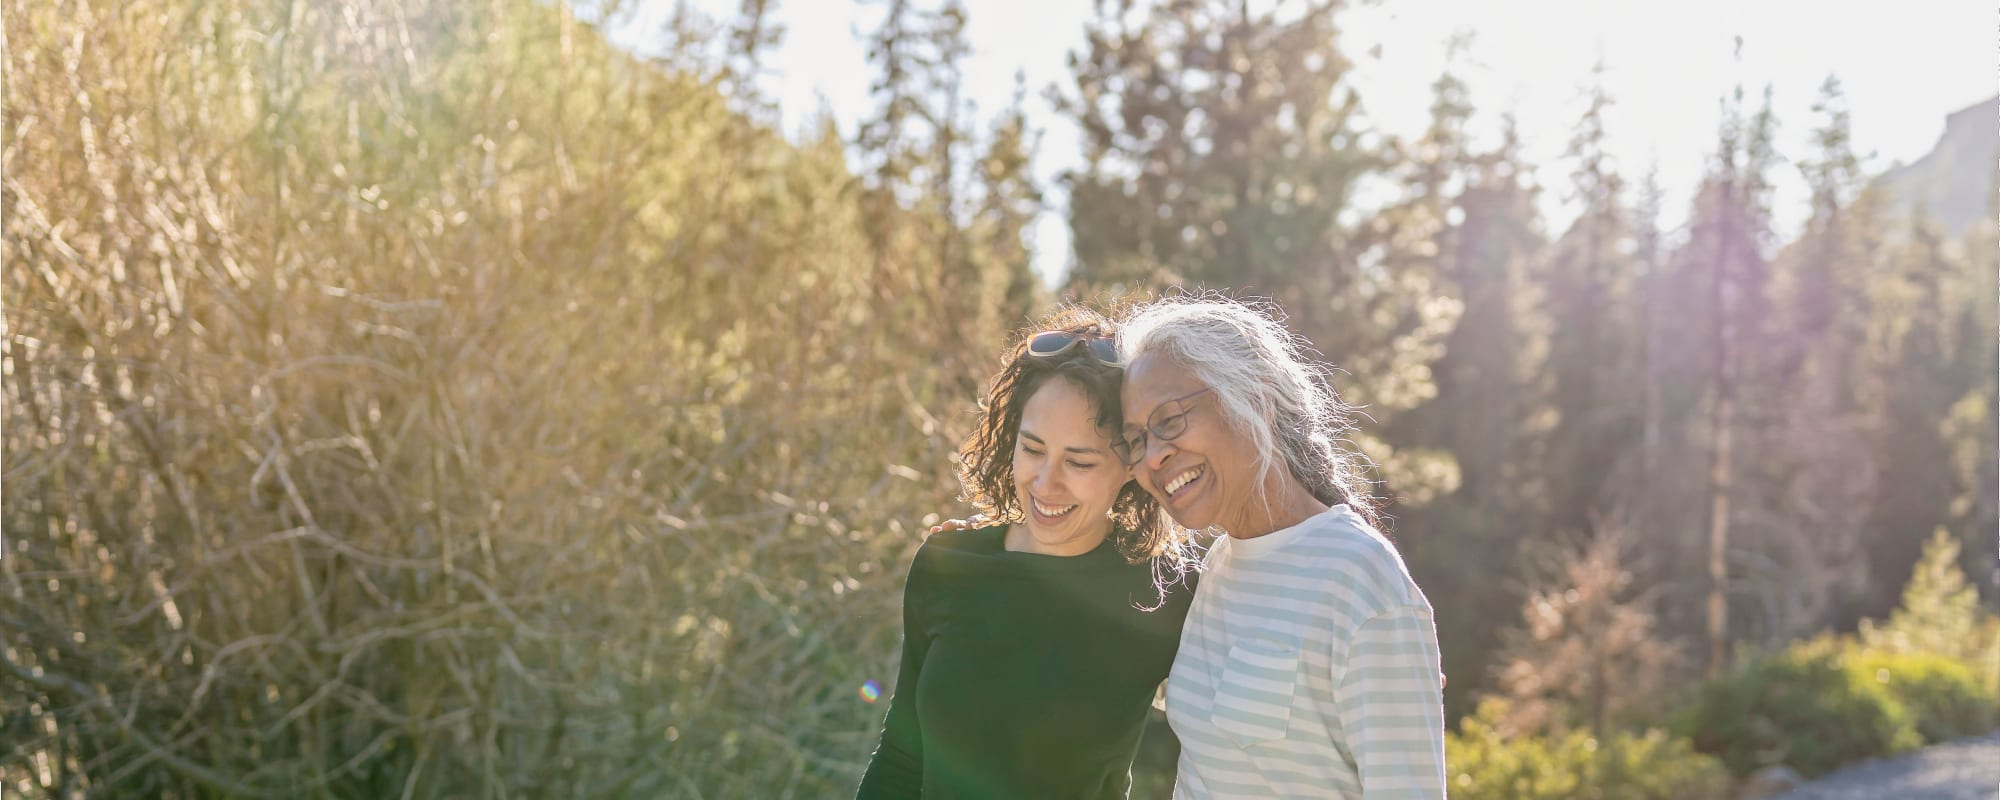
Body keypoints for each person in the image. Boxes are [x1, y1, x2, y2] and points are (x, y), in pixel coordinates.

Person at [1114, 296, 1447, 799]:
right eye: (1137, 439)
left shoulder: (1360, 577)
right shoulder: (1218, 568)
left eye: (1170, 420)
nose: (1155, 456)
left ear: (1258, 396)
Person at [856, 307, 1195, 800]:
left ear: (1130, 463)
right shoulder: (947, 564)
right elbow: (903, 755)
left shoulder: (1163, 594)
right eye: (1032, 449)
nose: (1045, 484)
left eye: (1078, 461)